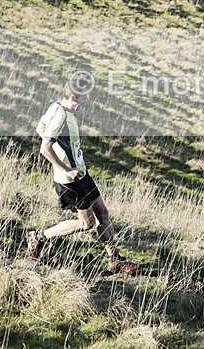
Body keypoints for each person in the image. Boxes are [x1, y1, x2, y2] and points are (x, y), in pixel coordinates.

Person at [27, 76, 139, 273]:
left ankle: (115, 260)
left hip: (82, 175)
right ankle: (38, 237)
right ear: (72, 96)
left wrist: (69, 152)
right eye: (83, 99)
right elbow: (45, 147)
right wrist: (66, 168)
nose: (85, 103)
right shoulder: (60, 115)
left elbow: (40, 128)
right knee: (85, 224)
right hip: (70, 181)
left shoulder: (57, 108)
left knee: (103, 214)